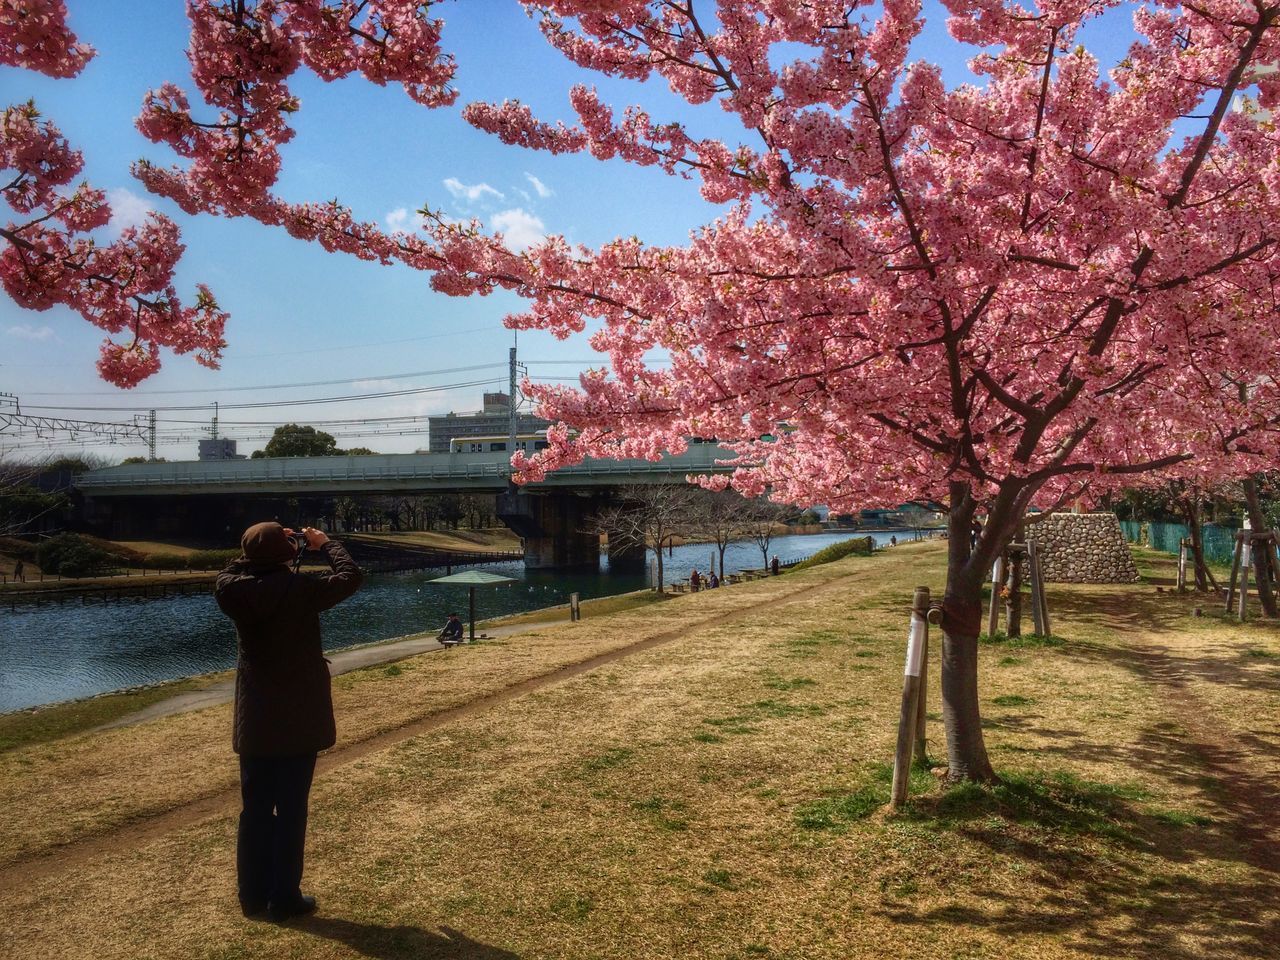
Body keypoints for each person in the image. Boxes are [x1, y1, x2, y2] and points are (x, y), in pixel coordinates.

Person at [215, 522, 363, 923]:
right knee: (292, 810)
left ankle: (251, 896)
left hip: (256, 720)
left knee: (255, 811)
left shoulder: (231, 590)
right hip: (299, 719)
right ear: (287, 553)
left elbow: (231, 568)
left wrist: (259, 546)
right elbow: (350, 576)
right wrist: (324, 544)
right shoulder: (302, 589)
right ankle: (285, 898)